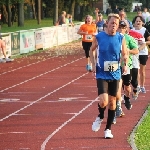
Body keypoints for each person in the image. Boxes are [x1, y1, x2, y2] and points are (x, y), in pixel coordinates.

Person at [90, 13, 128, 138]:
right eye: (112, 23)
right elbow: (92, 50)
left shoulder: (120, 37)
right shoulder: (99, 36)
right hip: (102, 73)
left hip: (115, 74)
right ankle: (100, 116)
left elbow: (124, 53)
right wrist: (93, 64)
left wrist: (125, 63)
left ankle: (108, 129)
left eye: (116, 24)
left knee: (112, 103)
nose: (114, 26)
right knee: (103, 101)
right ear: (107, 23)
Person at [112, 21, 139, 124]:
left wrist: (128, 51)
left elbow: (136, 50)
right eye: (120, 27)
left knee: (127, 87)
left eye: (123, 27)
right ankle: (118, 106)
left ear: (126, 29)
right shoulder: (112, 38)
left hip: (127, 67)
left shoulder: (128, 38)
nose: (121, 29)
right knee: (117, 87)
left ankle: (127, 98)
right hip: (115, 66)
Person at [132, 16, 150, 93]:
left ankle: (142, 86)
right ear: (134, 22)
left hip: (143, 52)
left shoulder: (145, 30)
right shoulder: (131, 31)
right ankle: (138, 85)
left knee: (142, 70)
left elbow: (149, 41)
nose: (138, 22)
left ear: (142, 22)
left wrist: (144, 43)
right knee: (136, 70)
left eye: (139, 21)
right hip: (134, 52)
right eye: (137, 21)